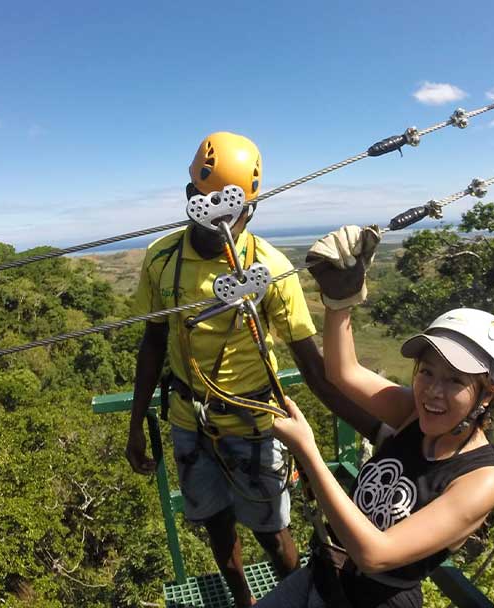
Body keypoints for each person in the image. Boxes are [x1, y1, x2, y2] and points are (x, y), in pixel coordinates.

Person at [126, 135, 380, 607]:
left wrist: (379, 430)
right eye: (208, 206)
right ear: (189, 200)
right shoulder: (162, 260)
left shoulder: (270, 267)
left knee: (273, 533)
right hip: (188, 418)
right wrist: (136, 423)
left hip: (255, 423)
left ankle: (293, 598)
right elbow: (153, 340)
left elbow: (313, 366)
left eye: (233, 209)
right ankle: (243, 598)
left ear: (251, 211)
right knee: (217, 528)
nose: (221, 221)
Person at [259, 225, 494, 608]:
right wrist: (339, 302)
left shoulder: (481, 480)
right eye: (426, 371)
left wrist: (309, 453)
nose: (432, 391)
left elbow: (376, 553)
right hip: (325, 573)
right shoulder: (415, 415)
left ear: (487, 395)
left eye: (454, 381)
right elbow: (343, 372)